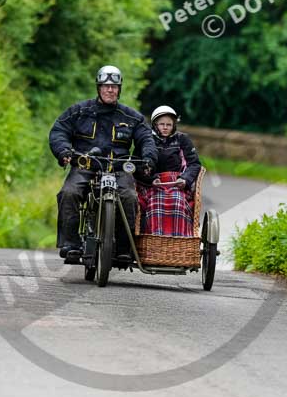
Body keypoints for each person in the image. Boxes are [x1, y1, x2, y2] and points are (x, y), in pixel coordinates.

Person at [49, 65, 157, 263]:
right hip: (85, 164)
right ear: (98, 87)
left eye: (114, 87)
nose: (110, 90)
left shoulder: (131, 117)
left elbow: (146, 138)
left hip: (118, 168)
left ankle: (124, 249)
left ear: (119, 89)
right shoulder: (79, 111)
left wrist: (148, 158)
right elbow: (59, 131)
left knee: (130, 197)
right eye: (106, 86)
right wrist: (63, 151)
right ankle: (71, 244)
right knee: (69, 193)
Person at [136, 105, 201, 236]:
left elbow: (194, 164)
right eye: (161, 124)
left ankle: (178, 240)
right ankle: (154, 240)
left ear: (174, 126)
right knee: (155, 204)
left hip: (177, 184)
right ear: (155, 124)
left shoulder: (183, 140)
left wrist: (185, 179)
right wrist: (151, 179)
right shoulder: (147, 140)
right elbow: (137, 165)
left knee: (177, 202)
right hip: (152, 185)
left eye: (169, 124)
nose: (165, 127)